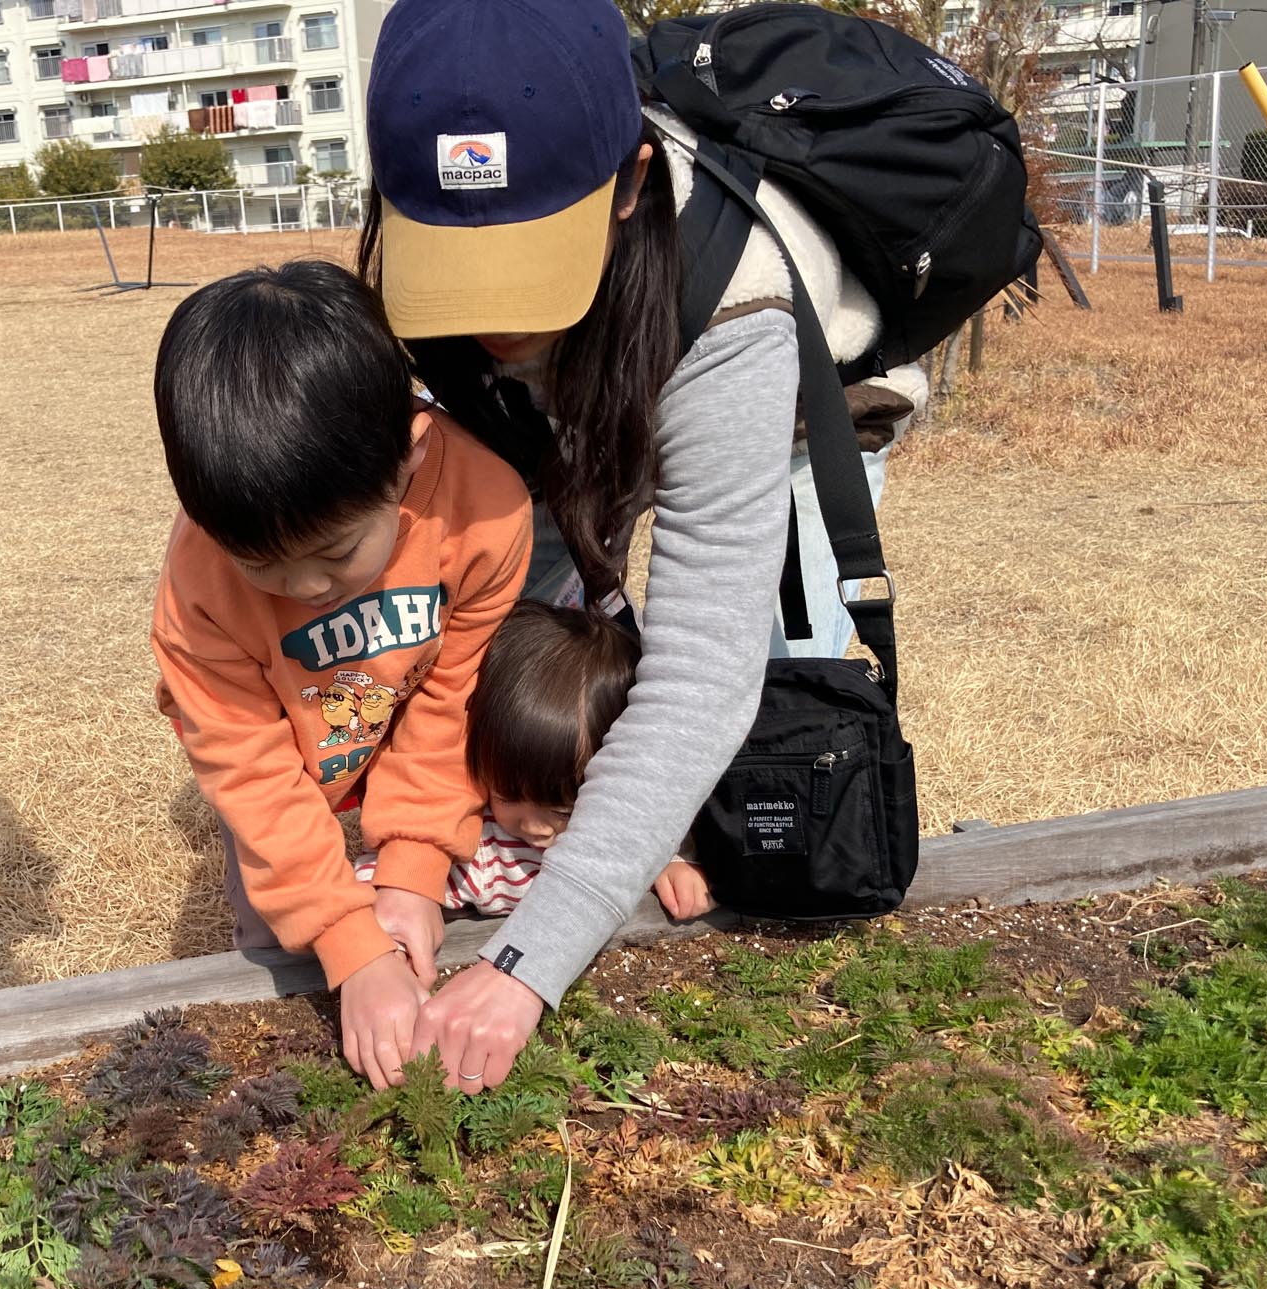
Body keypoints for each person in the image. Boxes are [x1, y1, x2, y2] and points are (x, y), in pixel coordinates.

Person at [358, 0, 926, 1091]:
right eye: (453, 266)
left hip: (792, 412)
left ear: (625, 184)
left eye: (524, 267)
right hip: (570, 407)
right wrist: (408, 869)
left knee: (772, 737)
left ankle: (654, 862)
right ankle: (500, 851)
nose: (487, 318)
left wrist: (526, 964)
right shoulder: (410, 246)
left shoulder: (733, 301)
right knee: (514, 657)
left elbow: (700, 675)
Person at [150, 260, 531, 1090]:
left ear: (408, 458)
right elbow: (249, 770)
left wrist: (414, 871)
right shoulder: (200, 584)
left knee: (427, 916)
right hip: (290, 766)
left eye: (335, 553)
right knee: (277, 940)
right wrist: (347, 946)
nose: (308, 590)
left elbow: (451, 700)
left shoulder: (484, 513)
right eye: (266, 567)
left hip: (410, 738)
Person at [354, 601, 712, 923]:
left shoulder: (633, 823)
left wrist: (673, 863)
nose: (534, 826)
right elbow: (383, 877)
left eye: (562, 811)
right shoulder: (478, 843)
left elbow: (666, 828)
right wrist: (396, 899)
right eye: (507, 796)